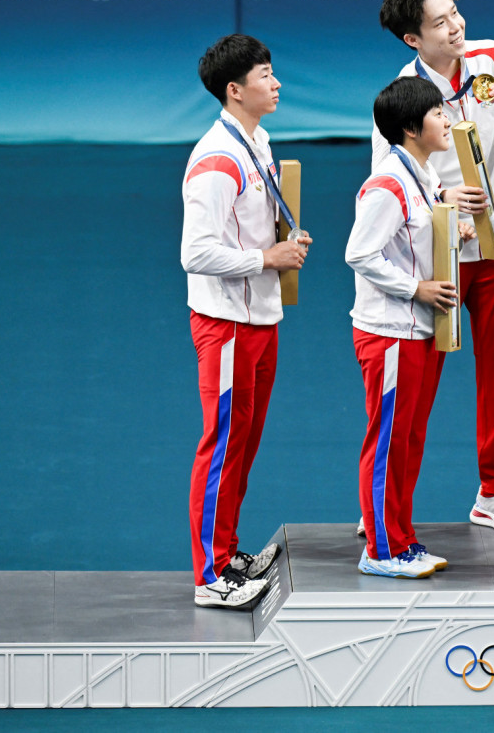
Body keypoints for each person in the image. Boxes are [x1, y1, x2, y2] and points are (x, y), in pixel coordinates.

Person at [370, 0, 494, 534]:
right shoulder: (403, 93)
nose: (456, 28)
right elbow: (386, 177)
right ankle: (384, 499)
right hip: (438, 252)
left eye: (456, 14)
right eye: (440, 23)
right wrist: (440, 196)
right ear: (413, 40)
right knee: (416, 382)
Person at [182, 33, 311, 609]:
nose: (276, 82)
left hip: (261, 316)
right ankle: (211, 575)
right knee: (222, 442)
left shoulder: (258, 140)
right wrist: (267, 257)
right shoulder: (217, 161)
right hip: (227, 323)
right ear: (235, 91)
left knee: (245, 441)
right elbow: (195, 252)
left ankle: (228, 550)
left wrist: (282, 240)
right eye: (265, 75)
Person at [346, 76, 476, 578]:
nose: (447, 120)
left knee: (409, 439)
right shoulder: (388, 184)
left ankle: (401, 539)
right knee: (388, 441)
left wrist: (456, 235)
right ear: (409, 127)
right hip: (391, 332)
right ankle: (379, 549)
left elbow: (416, 243)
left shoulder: (423, 175)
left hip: (422, 330)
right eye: (438, 114)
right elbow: (359, 252)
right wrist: (414, 289)